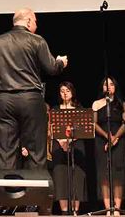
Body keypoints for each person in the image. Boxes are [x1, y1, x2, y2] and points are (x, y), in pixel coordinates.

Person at [0, 7, 68, 170]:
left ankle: (8, 193)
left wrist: (5, 78)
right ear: (28, 21)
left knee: (6, 151)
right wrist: (60, 63)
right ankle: (35, 194)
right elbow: (51, 69)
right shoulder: (37, 40)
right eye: (35, 21)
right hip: (31, 99)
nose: (36, 24)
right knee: (36, 150)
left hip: (5, 99)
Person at [50, 82, 88, 215]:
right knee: (61, 178)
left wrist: (71, 139)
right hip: (59, 146)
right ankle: (64, 211)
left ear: (72, 92)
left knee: (76, 177)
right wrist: (61, 141)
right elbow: (50, 129)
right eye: (62, 91)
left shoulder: (79, 108)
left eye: (67, 90)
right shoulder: (55, 109)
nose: (65, 93)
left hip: (76, 146)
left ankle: (75, 211)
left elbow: (84, 128)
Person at [92, 76, 125, 214]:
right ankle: (108, 208)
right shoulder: (96, 104)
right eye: (106, 85)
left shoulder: (121, 103)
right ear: (102, 88)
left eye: (112, 84)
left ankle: (117, 207)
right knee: (104, 174)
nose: (109, 87)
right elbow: (94, 124)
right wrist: (108, 137)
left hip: (118, 139)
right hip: (102, 139)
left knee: (118, 174)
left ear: (115, 87)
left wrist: (115, 138)